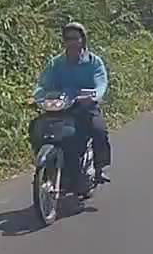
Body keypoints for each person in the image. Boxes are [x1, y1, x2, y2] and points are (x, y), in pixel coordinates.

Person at [33, 22, 111, 193]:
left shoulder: (94, 62)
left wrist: (93, 96)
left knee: (99, 130)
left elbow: (101, 84)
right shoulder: (56, 63)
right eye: (68, 39)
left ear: (83, 40)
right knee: (37, 127)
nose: (72, 42)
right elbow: (43, 84)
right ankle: (48, 165)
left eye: (76, 38)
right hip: (60, 107)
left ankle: (100, 167)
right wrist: (36, 97)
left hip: (85, 107)